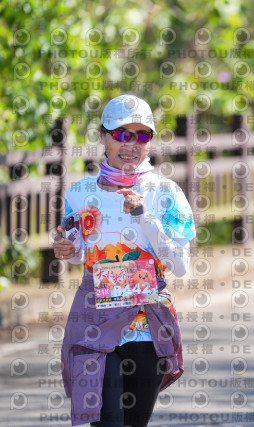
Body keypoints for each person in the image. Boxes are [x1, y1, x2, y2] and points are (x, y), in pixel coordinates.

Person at [53, 95, 195, 426]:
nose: (131, 145)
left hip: (146, 327)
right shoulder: (80, 192)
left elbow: (180, 265)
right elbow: (79, 251)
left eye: (142, 135)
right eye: (121, 134)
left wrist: (144, 216)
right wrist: (68, 250)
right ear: (102, 136)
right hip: (94, 323)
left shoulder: (166, 193)